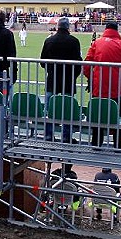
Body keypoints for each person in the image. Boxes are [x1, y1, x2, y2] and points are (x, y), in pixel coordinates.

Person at [83, 21, 121, 151]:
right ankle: (118, 144)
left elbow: (87, 64)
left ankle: (96, 143)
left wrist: (90, 78)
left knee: (98, 116)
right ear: (117, 30)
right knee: (118, 118)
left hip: (98, 88)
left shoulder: (96, 43)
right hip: (116, 89)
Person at [40, 17, 82, 173]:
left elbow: (42, 61)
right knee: (67, 110)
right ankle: (66, 135)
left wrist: (51, 70)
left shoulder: (49, 41)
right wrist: (73, 75)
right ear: (68, 27)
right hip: (68, 81)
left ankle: (49, 134)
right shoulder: (74, 41)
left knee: (50, 109)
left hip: (52, 79)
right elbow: (78, 62)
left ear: (57, 27)